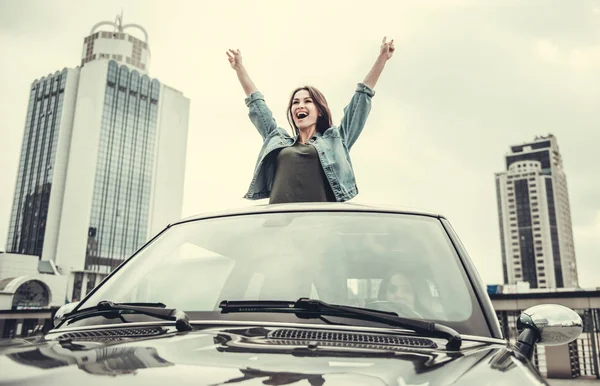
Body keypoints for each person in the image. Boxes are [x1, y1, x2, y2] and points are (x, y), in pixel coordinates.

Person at [226, 37, 395, 204]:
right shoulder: (277, 139)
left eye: (307, 101)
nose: (300, 106)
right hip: (280, 226)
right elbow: (257, 106)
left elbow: (360, 102)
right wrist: (239, 68)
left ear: (319, 110)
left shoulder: (336, 140)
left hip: (320, 226)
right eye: (295, 102)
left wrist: (382, 58)